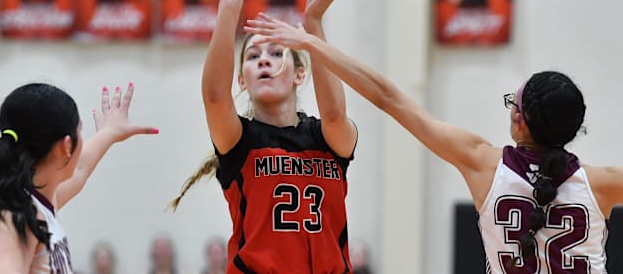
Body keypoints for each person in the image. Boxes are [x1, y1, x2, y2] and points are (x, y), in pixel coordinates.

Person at [245, 16, 618, 273]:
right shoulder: (602, 183)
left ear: (519, 120)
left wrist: (310, 41)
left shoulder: (483, 164)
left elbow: (387, 97)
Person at [170, 0, 358, 273]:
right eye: (253, 56)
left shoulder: (325, 137)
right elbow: (215, 97)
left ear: (300, 74)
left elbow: (336, 115)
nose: (264, 60)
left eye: (275, 52)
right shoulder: (240, 140)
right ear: (242, 80)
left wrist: (313, 26)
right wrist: (230, 4)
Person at [0, 82, 157, 274]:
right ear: (67, 145)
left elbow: (80, 169)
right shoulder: (12, 213)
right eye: (80, 129)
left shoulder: (28, 197)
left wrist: (111, 132)